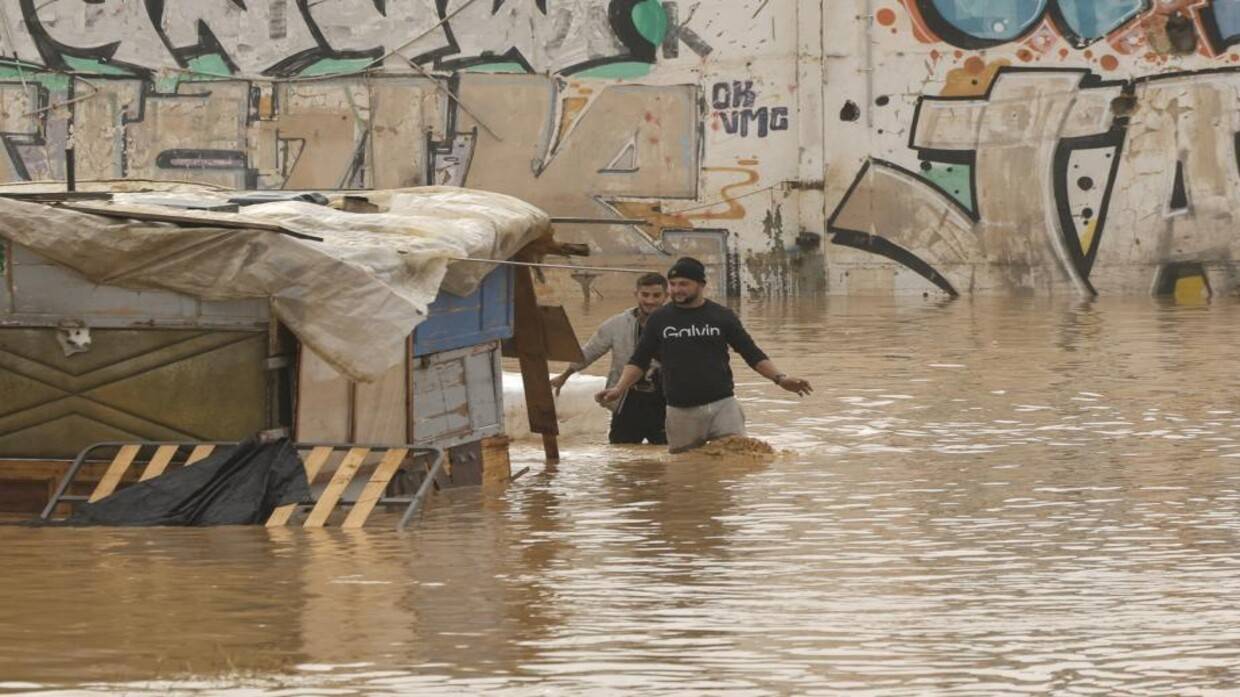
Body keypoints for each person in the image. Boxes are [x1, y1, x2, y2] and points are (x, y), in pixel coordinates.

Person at [596, 257, 812, 453]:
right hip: (680, 411)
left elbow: (752, 353)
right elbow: (638, 361)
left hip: (723, 405)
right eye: (673, 284)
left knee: (736, 462)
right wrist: (619, 389)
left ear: (701, 285)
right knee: (685, 470)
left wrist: (780, 378)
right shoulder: (660, 319)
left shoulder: (722, 316)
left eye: (684, 284)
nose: (677, 290)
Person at [552, 272, 669, 445]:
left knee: (669, 452)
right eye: (645, 295)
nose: (650, 301)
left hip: (665, 400)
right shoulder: (617, 324)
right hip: (626, 399)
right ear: (636, 294)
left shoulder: (677, 325)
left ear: (666, 296)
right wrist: (564, 376)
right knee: (621, 452)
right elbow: (590, 351)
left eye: (656, 295)